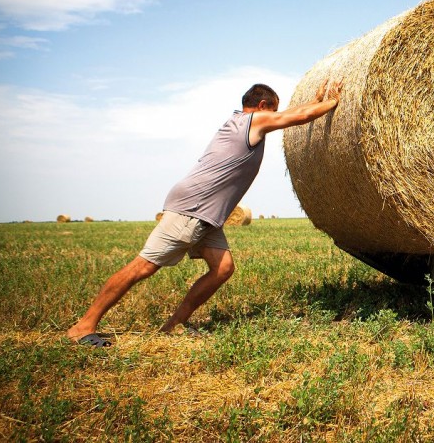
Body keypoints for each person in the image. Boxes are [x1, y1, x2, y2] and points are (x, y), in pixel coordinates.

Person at [67, 81, 341, 346]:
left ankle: (174, 325)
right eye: (273, 110)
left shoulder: (240, 122)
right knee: (143, 267)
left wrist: (316, 101)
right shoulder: (251, 122)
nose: (275, 117)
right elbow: (299, 117)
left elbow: (291, 114)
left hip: (208, 213)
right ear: (261, 106)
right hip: (193, 208)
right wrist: (333, 102)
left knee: (222, 269)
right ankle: (84, 326)